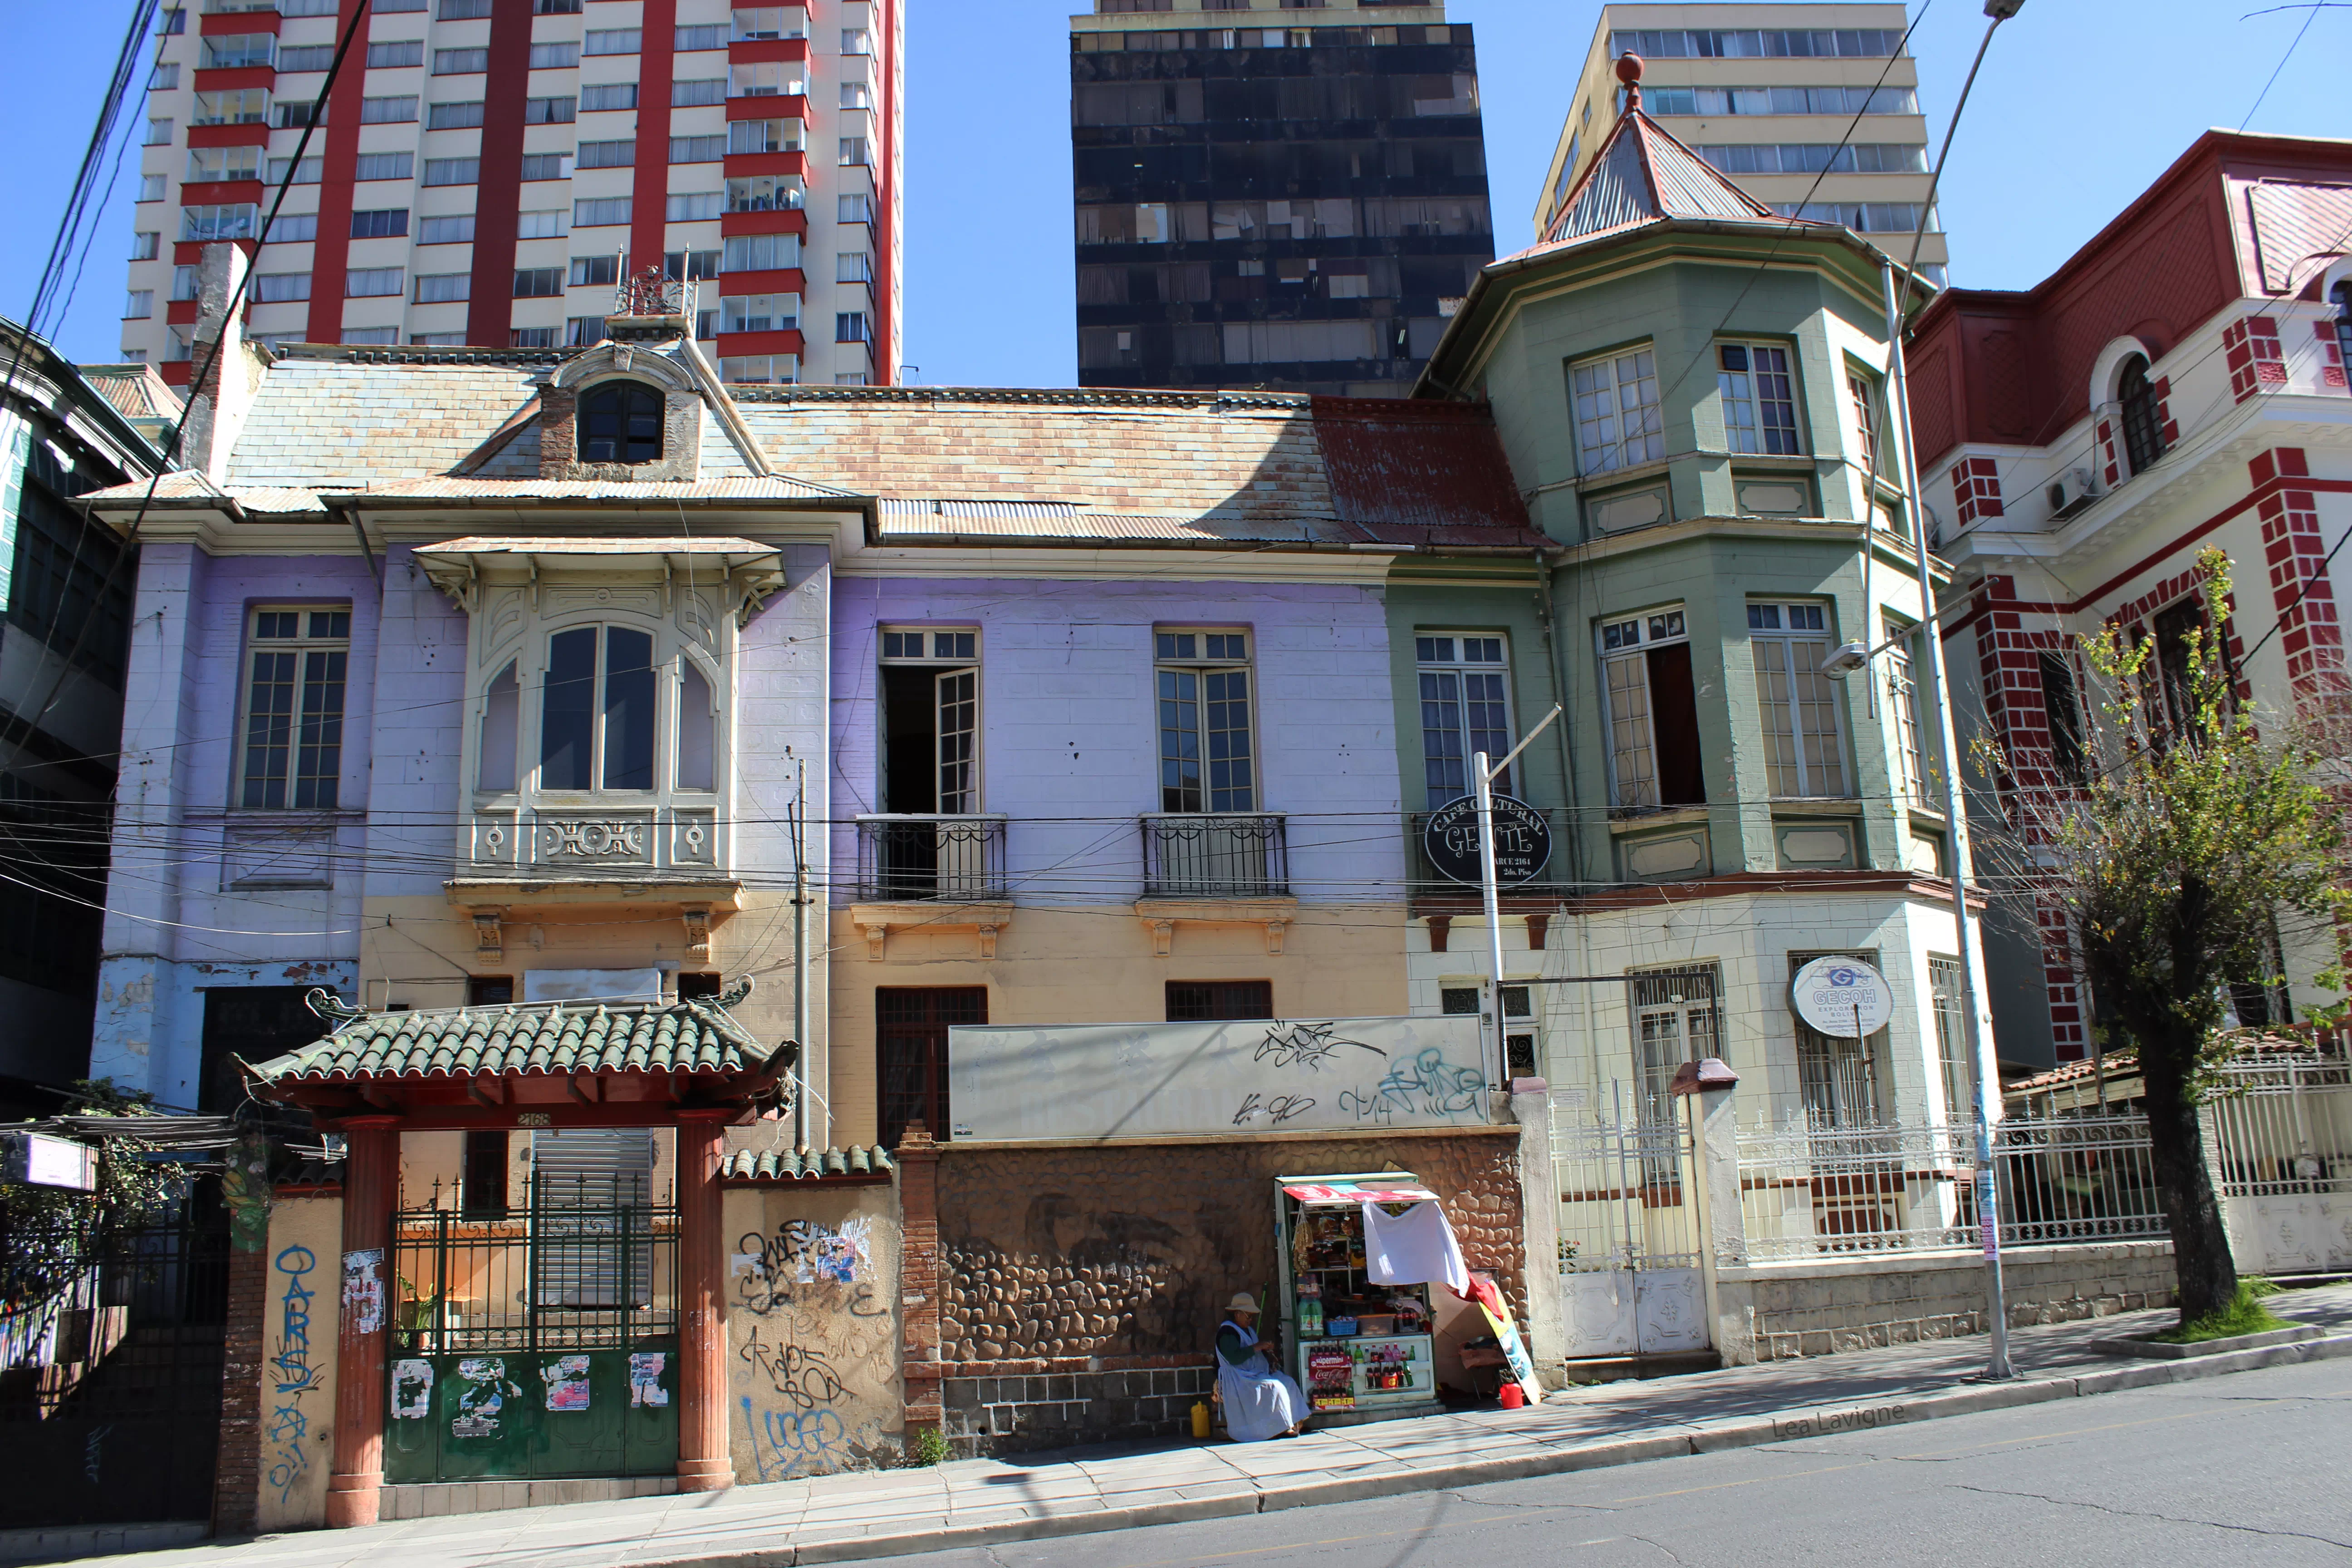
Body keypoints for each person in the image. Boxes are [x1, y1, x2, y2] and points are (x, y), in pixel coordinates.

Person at [1215, 1292, 1308, 1441]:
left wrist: (1267, 1358)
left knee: (1287, 1382)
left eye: (1252, 1316)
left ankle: (1295, 1420)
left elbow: (1256, 1355)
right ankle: (1283, 1426)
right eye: (1248, 1316)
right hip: (1239, 1379)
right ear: (1238, 1314)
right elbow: (1234, 1357)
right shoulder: (1227, 1333)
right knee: (1274, 1387)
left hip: (1255, 1373)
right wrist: (1256, 1347)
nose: (1251, 1320)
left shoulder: (1249, 1330)